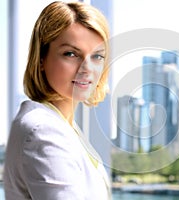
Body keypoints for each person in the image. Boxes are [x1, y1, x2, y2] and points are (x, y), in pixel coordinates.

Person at [3, 1, 111, 199]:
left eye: (97, 56)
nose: (87, 68)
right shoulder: (43, 131)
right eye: (71, 54)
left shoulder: (63, 125)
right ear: (41, 59)